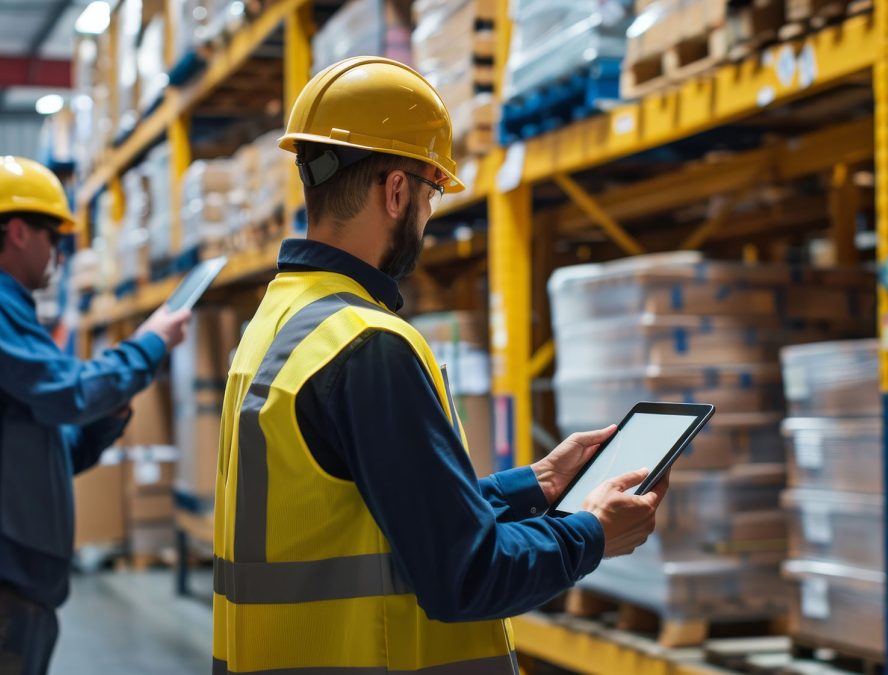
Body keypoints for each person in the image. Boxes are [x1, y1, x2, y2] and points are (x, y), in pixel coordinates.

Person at [212, 57, 669, 675]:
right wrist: (591, 534)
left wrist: (535, 484)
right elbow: (466, 574)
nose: (428, 215)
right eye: (431, 192)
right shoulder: (368, 346)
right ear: (397, 190)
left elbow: (382, 512)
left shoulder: (274, 326)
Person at [0, 156, 192, 675]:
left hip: (9, 588)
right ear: (17, 232)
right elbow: (65, 394)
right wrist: (147, 346)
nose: (58, 252)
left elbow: (50, 451)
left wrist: (106, 417)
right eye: (52, 235)